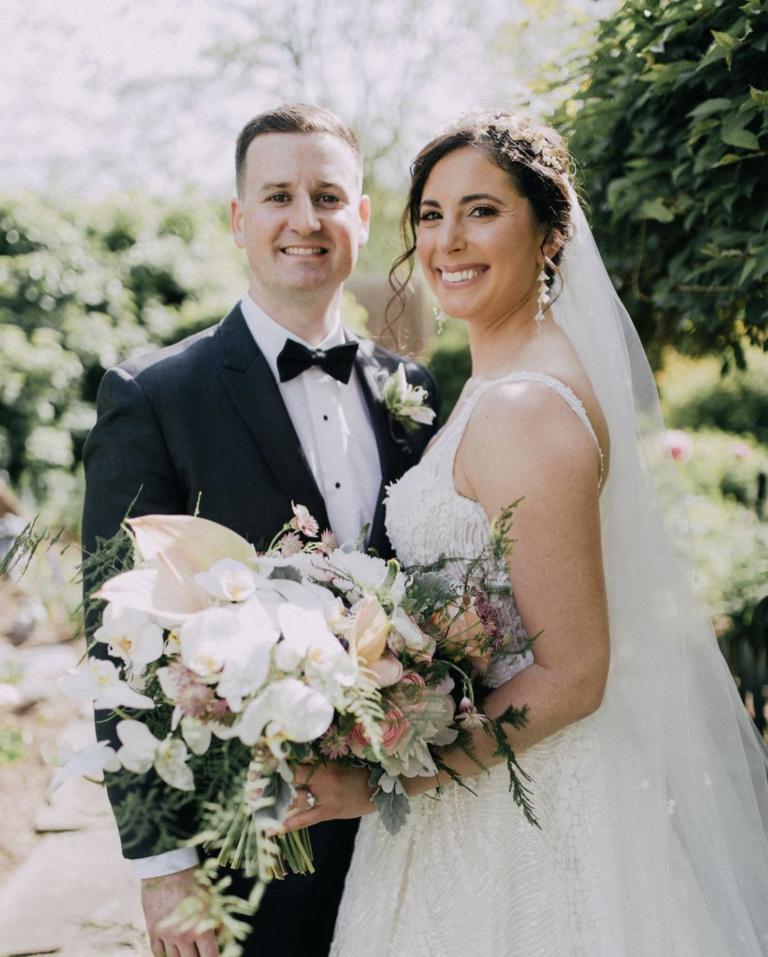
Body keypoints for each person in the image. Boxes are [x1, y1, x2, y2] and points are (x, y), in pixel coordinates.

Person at [280, 110, 768, 956]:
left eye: (481, 210)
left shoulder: (527, 407)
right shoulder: (499, 379)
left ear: (549, 235)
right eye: (431, 215)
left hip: (524, 823)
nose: (447, 241)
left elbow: (575, 674)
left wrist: (388, 774)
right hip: (480, 790)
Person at [81, 103, 439, 957]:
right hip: (250, 846)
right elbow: (116, 643)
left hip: (418, 828)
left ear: (359, 218)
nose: (304, 220)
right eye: (278, 195)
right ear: (240, 221)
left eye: (327, 195)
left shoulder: (416, 393)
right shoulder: (155, 395)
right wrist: (164, 867)